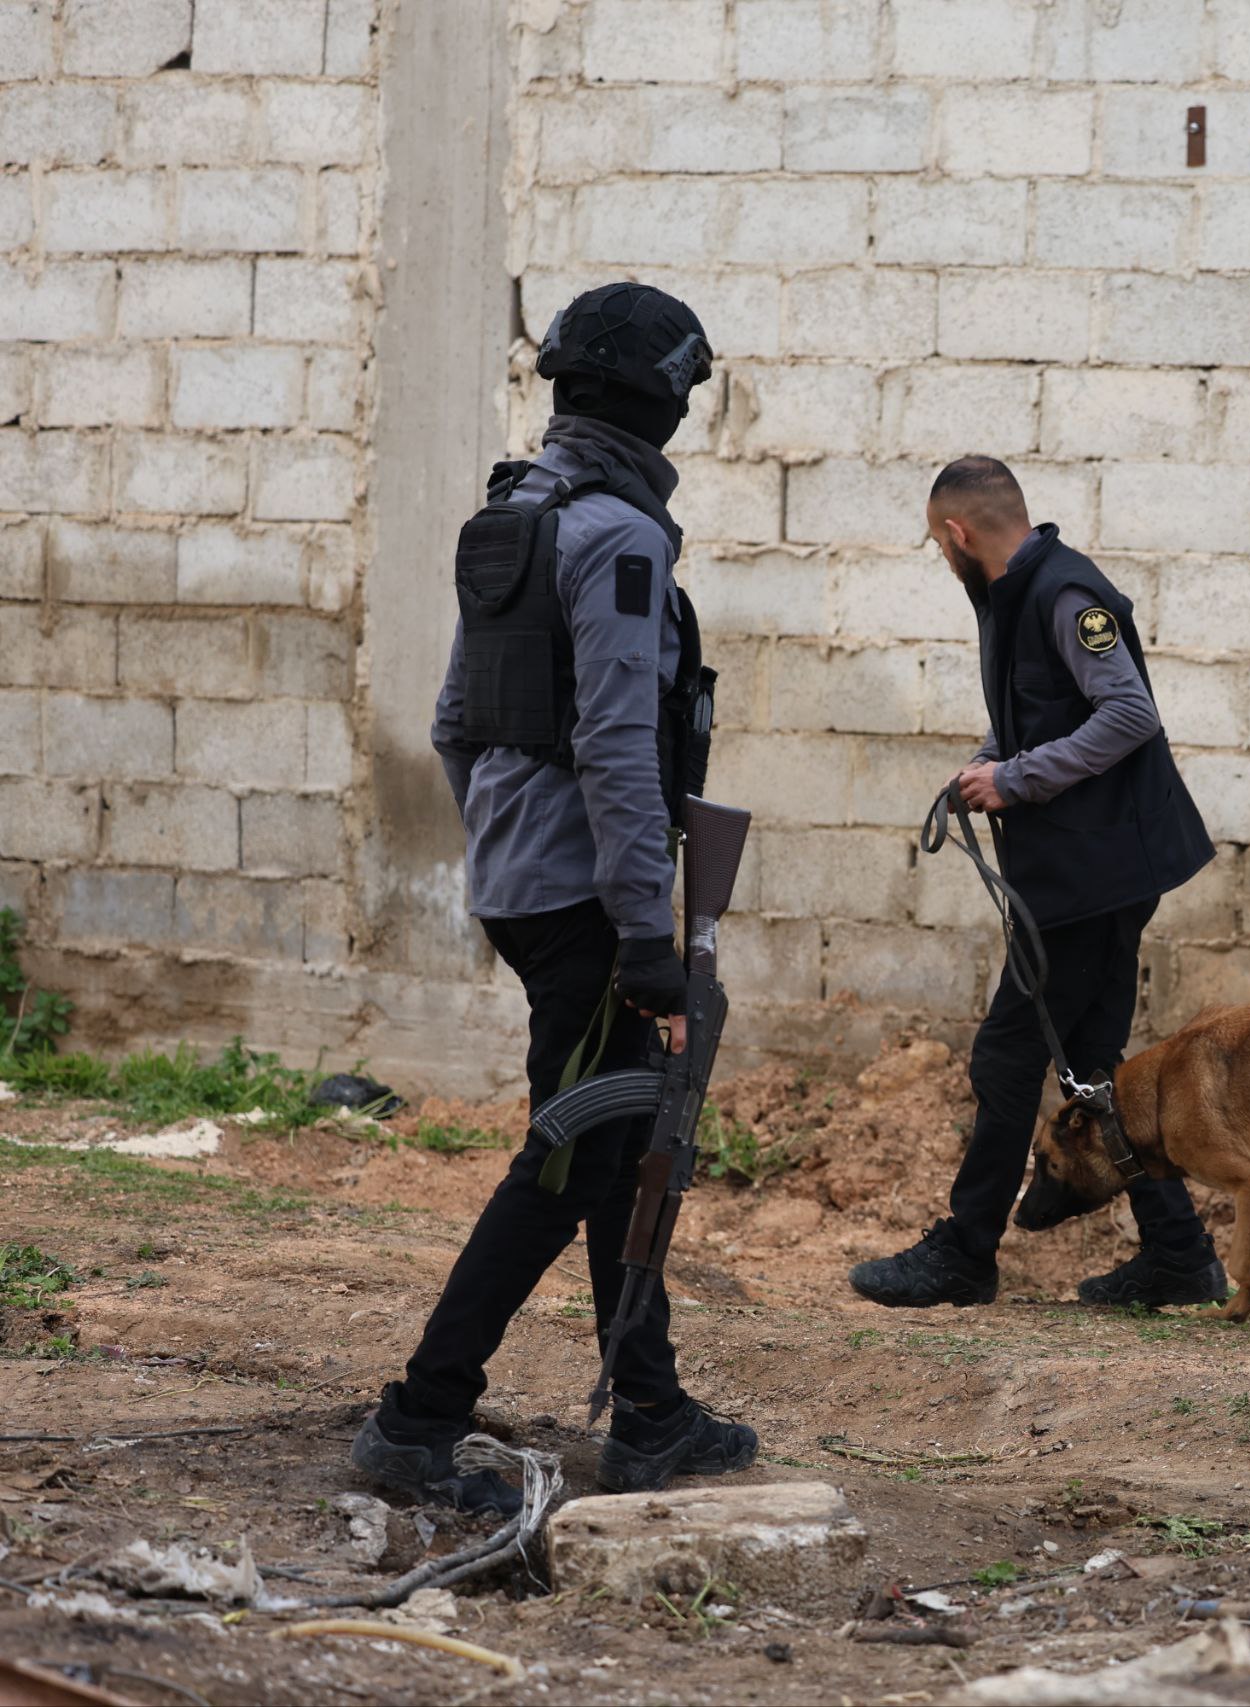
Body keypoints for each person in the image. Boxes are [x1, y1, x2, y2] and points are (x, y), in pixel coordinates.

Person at [352, 282, 757, 1514]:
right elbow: (619, 744)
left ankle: (650, 1411)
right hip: (590, 901)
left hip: (530, 886)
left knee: (615, 1153)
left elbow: (453, 725)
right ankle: (418, 1417)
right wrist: (642, 932)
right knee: (569, 1163)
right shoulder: (619, 537)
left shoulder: (516, 513)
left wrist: (508, 855)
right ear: (660, 401)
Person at [851, 456, 1227, 1311]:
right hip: (1088, 872)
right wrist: (988, 761)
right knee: (1093, 1065)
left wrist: (1015, 779)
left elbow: (1128, 713)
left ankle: (966, 1250)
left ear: (958, 532)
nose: (941, 556)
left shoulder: (1065, 595)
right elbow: (1043, 709)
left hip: (1098, 873)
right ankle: (1179, 1253)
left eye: (937, 543)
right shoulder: (1016, 595)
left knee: (1007, 1053)